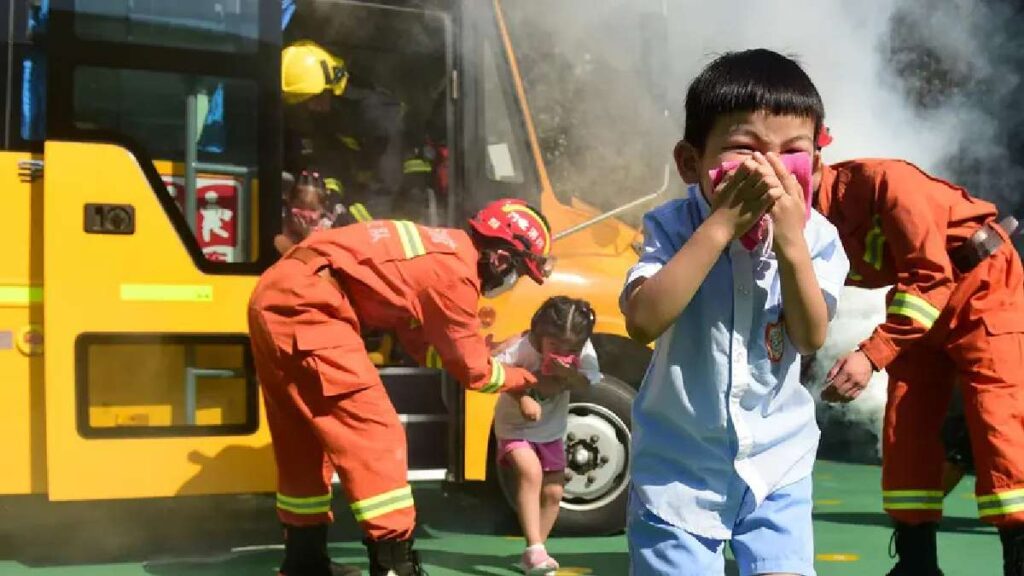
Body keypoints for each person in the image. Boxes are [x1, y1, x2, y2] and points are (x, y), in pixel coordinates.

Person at [619, 49, 850, 576]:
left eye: (792, 153)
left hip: (778, 465)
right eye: (744, 149)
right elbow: (644, 321)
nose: (768, 171)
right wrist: (720, 226)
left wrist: (790, 241)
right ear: (689, 162)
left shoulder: (817, 237)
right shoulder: (672, 226)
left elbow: (810, 335)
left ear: (814, 165)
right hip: (678, 469)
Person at [248, 198, 553, 576]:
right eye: (518, 272)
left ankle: (304, 563)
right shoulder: (456, 275)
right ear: (500, 259)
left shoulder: (441, 251)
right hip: (312, 307)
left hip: (277, 296)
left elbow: (420, 345)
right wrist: (523, 378)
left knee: (303, 442)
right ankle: (395, 567)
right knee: (378, 436)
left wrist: (478, 352)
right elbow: (474, 373)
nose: (512, 283)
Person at [809, 68, 1024, 576]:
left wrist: (870, 354)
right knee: (905, 425)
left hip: (982, 293)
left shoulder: (887, 183)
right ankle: (916, 565)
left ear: (818, 152)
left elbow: (930, 278)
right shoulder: (799, 227)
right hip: (921, 310)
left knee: (999, 426)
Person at [491, 296, 600, 575]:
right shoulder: (524, 348)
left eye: (571, 348)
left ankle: (536, 550)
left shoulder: (583, 350)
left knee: (553, 491)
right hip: (515, 427)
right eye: (554, 345)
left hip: (551, 430)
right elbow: (497, 373)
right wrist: (523, 398)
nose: (562, 351)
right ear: (540, 334)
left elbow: (588, 383)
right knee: (531, 473)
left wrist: (570, 374)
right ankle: (535, 550)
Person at [281, 39, 403, 222]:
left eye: (314, 98)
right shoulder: (330, 113)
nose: (311, 108)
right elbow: (329, 157)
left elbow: (387, 185)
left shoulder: (376, 115)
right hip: (364, 187)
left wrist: (351, 221)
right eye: (304, 103)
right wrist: (329, 197)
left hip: (399, 192)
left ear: (332, 87)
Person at [275, 170, 332, 255]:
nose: (305, 214)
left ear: (322, 209)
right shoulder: (279, 227)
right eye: (299, 207)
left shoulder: (326, 231)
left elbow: (319, 260)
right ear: (289, 202)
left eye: (312, 209)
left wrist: (307, 235)